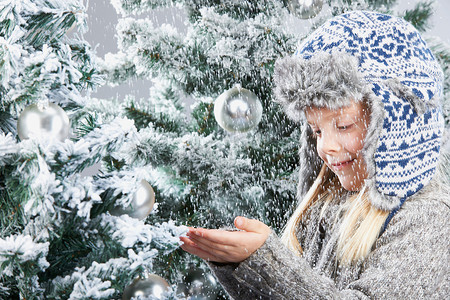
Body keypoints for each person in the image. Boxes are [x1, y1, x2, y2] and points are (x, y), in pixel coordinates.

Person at [180, 10, 449, 299]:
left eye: (343, 125)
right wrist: (242, 264)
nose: (325, 147)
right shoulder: (325, 207)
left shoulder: (429, 218)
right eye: (316, 131)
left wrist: (266, 264)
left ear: (397, 126)